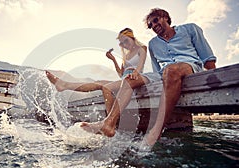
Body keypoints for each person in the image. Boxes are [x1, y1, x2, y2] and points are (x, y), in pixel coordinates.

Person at [81, 8, 216, 149]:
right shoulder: (153, 44)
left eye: (156, 20)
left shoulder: (190, 29)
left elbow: (207, 58)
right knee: (129, 79)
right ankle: (109, 123)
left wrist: (212, 82)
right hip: (164, 73)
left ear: (165, 17)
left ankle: (156, 131)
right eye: (151, 25)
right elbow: (157, 69)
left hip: (190, 66)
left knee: (171, 70)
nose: (154, 25)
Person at [46, 28, 148, 115]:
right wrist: (113, 59)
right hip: (124, 79)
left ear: (132, 37)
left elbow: (141, 64)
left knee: (105, 87)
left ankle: (110, 121)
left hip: (134, 79)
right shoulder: (125, 56)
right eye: (121, 43)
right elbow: (121, 74)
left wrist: (136, 72)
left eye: (126, 41)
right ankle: (64, 85)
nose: (124, 45)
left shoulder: (141, 48)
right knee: (98, 82)